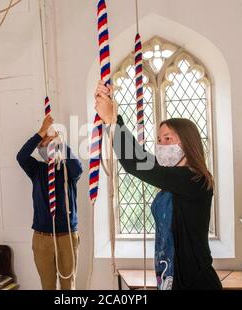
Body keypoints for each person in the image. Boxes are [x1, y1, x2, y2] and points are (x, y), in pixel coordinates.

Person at [94, 81, 222, 290]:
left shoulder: (195, 179)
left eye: (168, 138)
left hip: (196, 283)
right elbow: (142, 159)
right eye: (159, 139)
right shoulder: (174, 177)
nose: (161, 145)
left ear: (187, 143)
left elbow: (136, 163)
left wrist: (111, 121)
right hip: (172, 277)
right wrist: (114, 115)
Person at [16, 115, 83, 290]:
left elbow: (78, 167)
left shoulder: (67, 170)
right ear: (39, 148)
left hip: (66, 236)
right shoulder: (37, 170)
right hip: (42, 238)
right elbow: (21, 156)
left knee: (69, 285)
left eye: (51, 143)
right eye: (44, 144)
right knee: (48, 286)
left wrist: (60, 142)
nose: (47, 146)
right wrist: (41, 133)